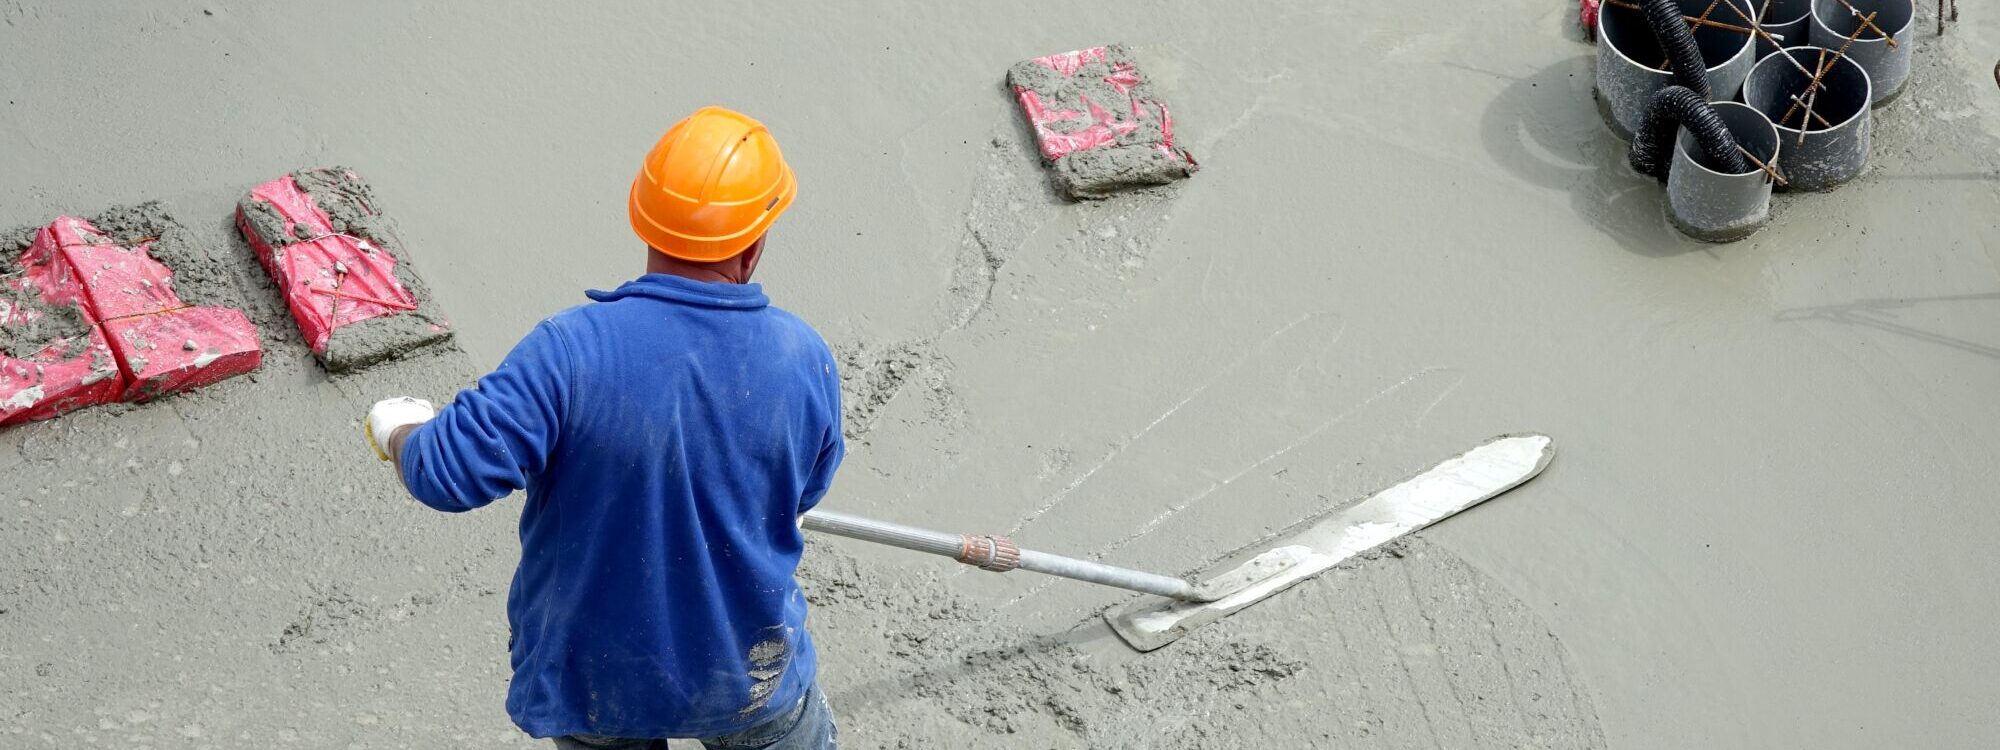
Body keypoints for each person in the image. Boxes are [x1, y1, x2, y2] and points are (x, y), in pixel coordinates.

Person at [362, 106, 843, 749]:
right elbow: (806, 491)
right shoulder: (802, 357)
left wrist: (401, 430)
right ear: (753, 246)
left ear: (641, 218)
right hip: (746, 673)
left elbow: (444, 473)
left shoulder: (568, 353)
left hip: (596, 682)